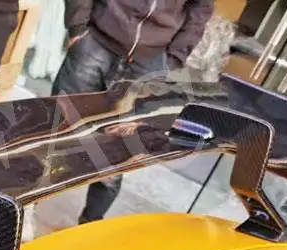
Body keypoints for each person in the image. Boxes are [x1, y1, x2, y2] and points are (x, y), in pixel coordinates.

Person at [54, 0, 214, 223]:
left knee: (117, 152)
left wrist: (174, 59)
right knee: (54, 130)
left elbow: (201, 8)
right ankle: (23, 211)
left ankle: (87, 227)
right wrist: (77, 27)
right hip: (96, 40)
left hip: (150, 60)